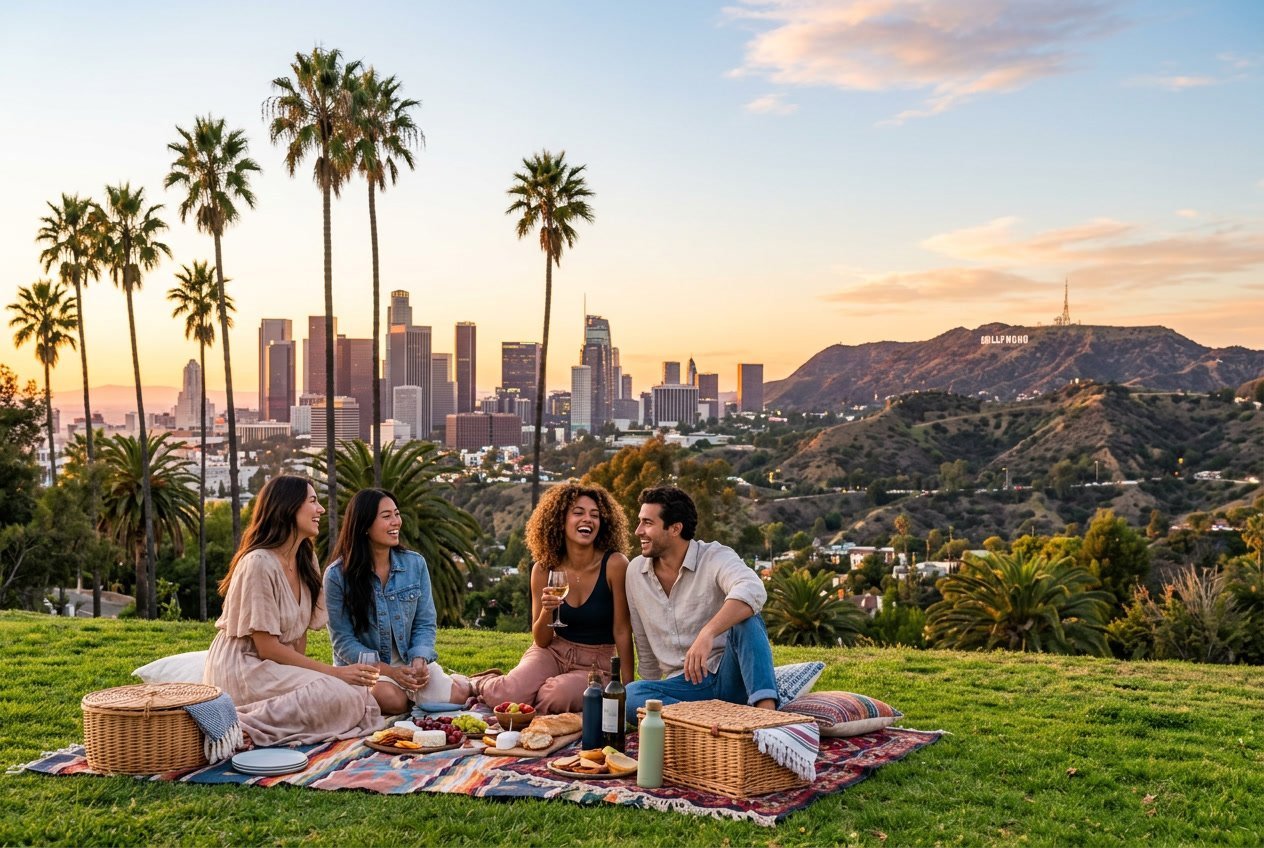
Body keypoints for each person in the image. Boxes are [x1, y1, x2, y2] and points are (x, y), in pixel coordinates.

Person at [204, 475, 384, 746]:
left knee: (354, 693)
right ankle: (235, 726)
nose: (320, 510)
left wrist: (303, 681)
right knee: (337, 691)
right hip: (244, 668)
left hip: (274, 667)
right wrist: (330, 673)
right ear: (288, 508)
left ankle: (255, 723)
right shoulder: (258, 563)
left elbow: (299, 636)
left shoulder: (305, 558)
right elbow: (266, 648)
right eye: (313, 501)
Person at [462, 482, 633, 712]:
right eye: (578, 513)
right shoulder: (543, 569)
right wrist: (547, 609)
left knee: (554, 696)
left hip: (595, 663)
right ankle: (483, 682)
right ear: (560, 520)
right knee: (508, 694)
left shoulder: (615, 565)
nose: (588, 520)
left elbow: (622, 630)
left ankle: (536, 706)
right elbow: (541, 640)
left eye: (595, 515)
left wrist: (628, 689)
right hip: (552, 651)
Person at [623, 485, 779, 723]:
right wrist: (649, 685)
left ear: (675, 528)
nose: (638, 531)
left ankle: (766, 720)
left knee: (746, 618)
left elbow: (752, 588)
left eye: (647, 523)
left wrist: (708, 632)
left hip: (728, 675)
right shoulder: (635, 572)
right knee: (633, 695)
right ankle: (715, 724)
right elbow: (643, 643)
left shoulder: (715, 556)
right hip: (684, 688)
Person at [324, 488, 467, 714]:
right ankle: (410, 698)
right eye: (386, 516)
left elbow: (425, 622)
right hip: (367, 669)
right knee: (393, 702)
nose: (396, 522)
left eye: (397, 514)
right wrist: (389, 672)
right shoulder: (336, 576)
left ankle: (465, 682)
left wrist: (419, 658)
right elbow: (343, 641)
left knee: (457, 697)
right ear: (365, 526)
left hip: (408, 664)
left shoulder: (414, 564)